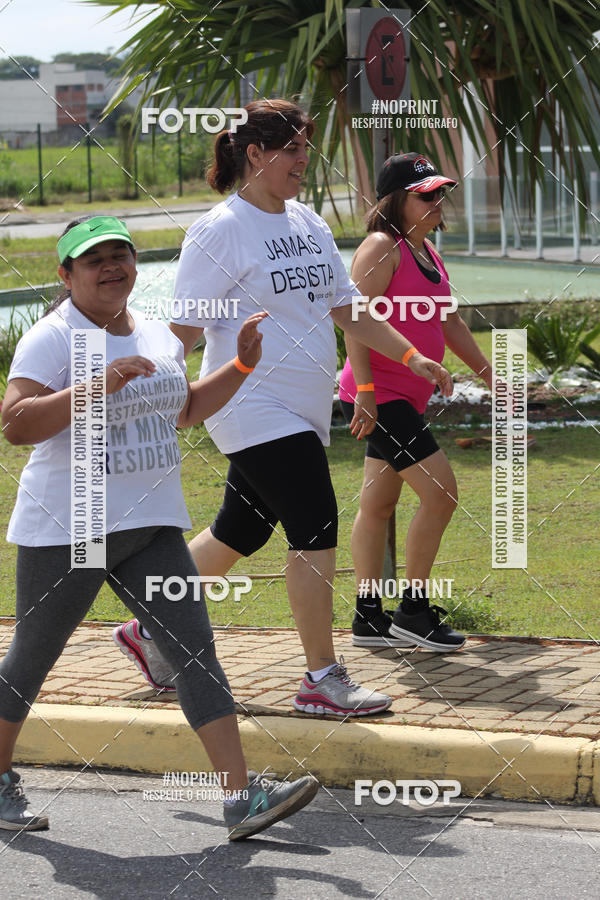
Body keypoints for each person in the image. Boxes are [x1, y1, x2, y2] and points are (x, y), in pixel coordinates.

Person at [113, 101, 453, 717]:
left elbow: (348, 310)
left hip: (303, 405)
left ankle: (147, 628)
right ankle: (321, 679)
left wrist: (413, 354)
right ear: (255, 155)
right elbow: (183, 330)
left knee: (241, 529)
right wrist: (147, 385)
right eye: (293, 150)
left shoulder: (308, 224)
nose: (304, 161)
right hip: (250, 402)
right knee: (316, 520)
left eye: (305, 149)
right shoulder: (219, 231)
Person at [0, 215, 319, 837]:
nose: (112, 266)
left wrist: (242, 367)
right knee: (32, 658)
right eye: (94, 260)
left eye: (121, 253)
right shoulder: (53, 338)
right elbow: (16, 424)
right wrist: (98, 384)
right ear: (65, 275)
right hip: (73, 526)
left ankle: (240, 797)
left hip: (152, 524)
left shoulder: (157, 335)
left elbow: (186, 410)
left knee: (195, 654)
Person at [338, 152, 494, 651]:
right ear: (396, 200)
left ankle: (367, 617)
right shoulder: (382, 248)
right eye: (425, 194)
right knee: (441, 493)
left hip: (407, 396)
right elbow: (354, 320)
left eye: (440, 192)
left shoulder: (426, 250)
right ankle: (413, 610)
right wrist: (364, 392)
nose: (437, 200)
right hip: (378, 396)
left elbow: (447, 321)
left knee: (379, 503)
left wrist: (487, 373)